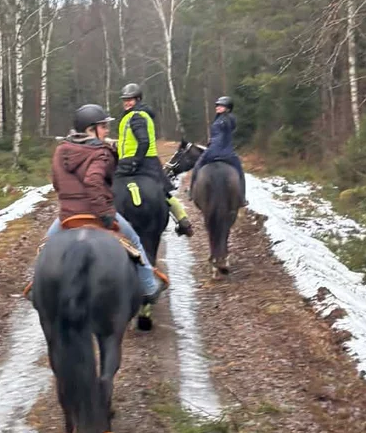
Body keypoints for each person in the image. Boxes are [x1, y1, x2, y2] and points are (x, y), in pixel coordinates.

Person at [42, 103, 164, 302]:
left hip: (68, 216)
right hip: (96, 214)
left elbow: (56, 182)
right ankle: (149, 288)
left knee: (45, 247)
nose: (107, 131)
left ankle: (35, 286)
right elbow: (93, 181)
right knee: (135, 241)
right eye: (103, 126)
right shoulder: (100, 152)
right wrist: (105, 213)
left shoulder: (61, 150)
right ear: (91, 129)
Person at [114, 83, 194, 236]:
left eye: (130, 100)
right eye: (125, 100)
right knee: (163, 192)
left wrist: (134, 162)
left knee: (113, 188)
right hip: (148, 162)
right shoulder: (140, 115)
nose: (127, 103)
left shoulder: (136, 116)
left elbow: (143, 141)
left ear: (138, 99)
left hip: (137, 162)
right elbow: (130, 141)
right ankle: (182, 220)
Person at [191, 95, 246, 203]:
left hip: (214, 152)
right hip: (229, 154)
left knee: (197, 166)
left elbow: (218, 139)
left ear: (228, 108)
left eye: (221, 106)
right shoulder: (230, 119)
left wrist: (210, 148)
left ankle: (191, 193)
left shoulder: (221, 121)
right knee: (240, 173)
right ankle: (242, 198)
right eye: (217, 105)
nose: (218, 107)